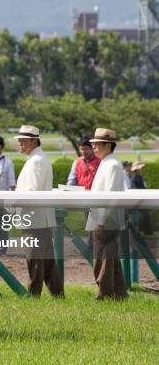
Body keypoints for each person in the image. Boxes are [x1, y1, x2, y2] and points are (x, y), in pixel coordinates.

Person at [14, 125, 63, 297]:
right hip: (39, 218)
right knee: (47, 262)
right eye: (19, 141)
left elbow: (32, 192)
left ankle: (33, 295)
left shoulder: (36, 161)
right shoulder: (37, 158)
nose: (20, 144)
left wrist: (13, 200)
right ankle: (58, 295)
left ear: (34, 141)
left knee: (34, 260)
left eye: (23, 141)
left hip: (35, 219)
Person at [86, 128, 127, 300]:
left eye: (97, 144)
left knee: (102, 258)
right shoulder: (106, 163)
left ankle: (104, 293)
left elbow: (110, 195)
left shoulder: (112, 165)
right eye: (93, 144)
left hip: (105, 219)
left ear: (108, 145)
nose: (93, 147)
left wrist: (102, 219)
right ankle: (119, 294)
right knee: (110, 257)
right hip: (101, 217)